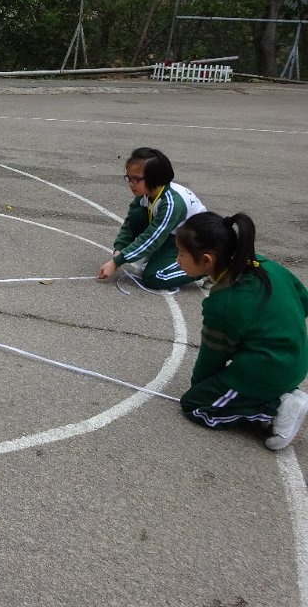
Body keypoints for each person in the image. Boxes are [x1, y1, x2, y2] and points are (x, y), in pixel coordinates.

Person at [176, 212, 308, 449]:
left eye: (181, 254)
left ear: (206, 260)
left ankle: (274, 408)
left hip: (269, 370)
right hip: (297, 359)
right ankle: (280, 393)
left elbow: (212, 357)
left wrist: (201, 389)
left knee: (194, 406)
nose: (177, 260)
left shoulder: (224, 303)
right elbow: (304, 300)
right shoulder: (263, 264)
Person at [98, 147, 206, 290]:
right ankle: (161, 256)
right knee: (137, 215)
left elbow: (152, 237)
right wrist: (119, 249)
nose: (131, 183)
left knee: (154, 277)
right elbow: (130, 224)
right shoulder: (147, 193)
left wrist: (117, 261)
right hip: (173, 235)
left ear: (154, 178)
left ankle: (207, 267)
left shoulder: (172, 203)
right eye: (128, 178)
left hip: (193, 243)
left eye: (136, 179)